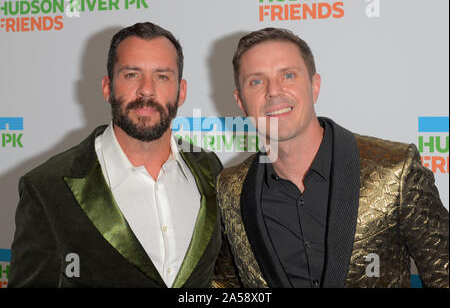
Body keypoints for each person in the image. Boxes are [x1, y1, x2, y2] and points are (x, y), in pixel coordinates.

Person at [216, 27, 449, 288]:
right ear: (240, 100)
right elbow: (224, 284)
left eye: (288, 75)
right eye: (256, 81)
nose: (273, 91)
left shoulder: (394, 170)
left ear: (314, 87)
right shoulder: (230, 188)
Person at [9, 22, 223, 288]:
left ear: (182, 92)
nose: (147, 89)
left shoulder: (210, 170)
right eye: (132, 74)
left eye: (162, 76)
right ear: (107, 87)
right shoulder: (47, 188)